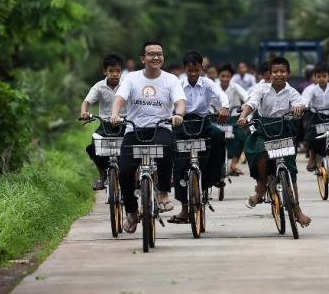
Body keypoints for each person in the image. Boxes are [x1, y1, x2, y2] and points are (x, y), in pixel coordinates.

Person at [110, 41, 186, 233]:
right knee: (125, 171)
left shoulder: (171, 80)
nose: (156, 57)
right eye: (151, 54)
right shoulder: (131, 79)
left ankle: (163, 193)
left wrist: (178, 114)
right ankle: (132, 211)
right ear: (143, 59)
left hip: (160, 127)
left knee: (167, 148)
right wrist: (115, 114)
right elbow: (120, 98)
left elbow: (180, 101)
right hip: (134, 129)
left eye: (159, 54)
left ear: (163, 57)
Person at [237, 57, 311, 227]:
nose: (279, 74)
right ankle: (262, 185)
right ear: (269, 74)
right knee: (259, 153)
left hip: (284, 130)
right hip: (264, 129)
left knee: (291, 170)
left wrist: (299, 108)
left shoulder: (292, 91)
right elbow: (252, 103)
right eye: (275, 71)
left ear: (288, 74)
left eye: (282, 71)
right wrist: (243, 116)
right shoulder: (261, 89)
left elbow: (299, 103)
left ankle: (297, 210)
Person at [169, 51, 230, 224]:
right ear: (185, 69)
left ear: (201, 68)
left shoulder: (208, 83)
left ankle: (217, 173)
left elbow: (221, 95)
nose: (193, 74)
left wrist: (224, 107)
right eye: (190, 70)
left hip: (203, 122)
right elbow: (168, 101)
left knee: (218, 135)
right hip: (182, 122)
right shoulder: (178, 84)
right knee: (179, 160)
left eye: (196, 70)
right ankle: (183, 210)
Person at [80, 54, 126, 190]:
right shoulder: (99, 86)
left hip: (126, 123)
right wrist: (84, 112)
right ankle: (102, 177)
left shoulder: (127, 85)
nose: (115, 74)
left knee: (132, 147)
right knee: (95, 146)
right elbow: (86, 101)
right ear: (104, 72)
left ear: (121, 71)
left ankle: (134, 177)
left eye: (118, 71)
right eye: (111, 71)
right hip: (105, 124)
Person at [216, 63, 249, 176]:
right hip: (216, 118)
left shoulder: (235, 86)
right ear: (218, 76)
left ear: (231, 77)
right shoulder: (214, 86)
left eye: (227, 76)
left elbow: (246, 96)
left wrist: (245, 104)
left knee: (242, 135)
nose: (225, 79)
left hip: (233, 117)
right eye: (222, 76)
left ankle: (234, 164)